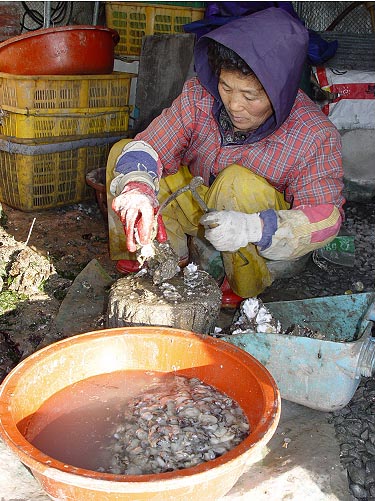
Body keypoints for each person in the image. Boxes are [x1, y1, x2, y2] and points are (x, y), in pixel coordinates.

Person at [106, 7, 344, 307]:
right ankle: (158, 253)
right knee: (125, 156)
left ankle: (242, 281)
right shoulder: (199, 96)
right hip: (199, 201)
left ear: (281, 91)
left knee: (237, 183)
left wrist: (253, 228)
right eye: (226, 87)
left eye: (250, 96)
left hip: (256, 232)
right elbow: (150, 145)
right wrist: (138, 188)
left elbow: (328, 217)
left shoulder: (315, 134)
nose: (233, 105)